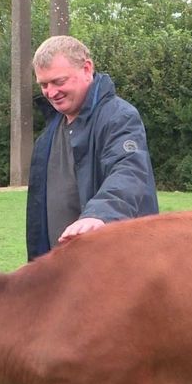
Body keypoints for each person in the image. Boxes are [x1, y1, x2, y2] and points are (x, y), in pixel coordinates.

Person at [26, 35, 159, 261]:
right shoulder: (50, 130)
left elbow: (128, 171)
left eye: (59, 81)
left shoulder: (119, 117)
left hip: (113, 265)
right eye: (44, 84)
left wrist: (99, 214)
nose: (50, 92)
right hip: (61, 269)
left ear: (87, 69)